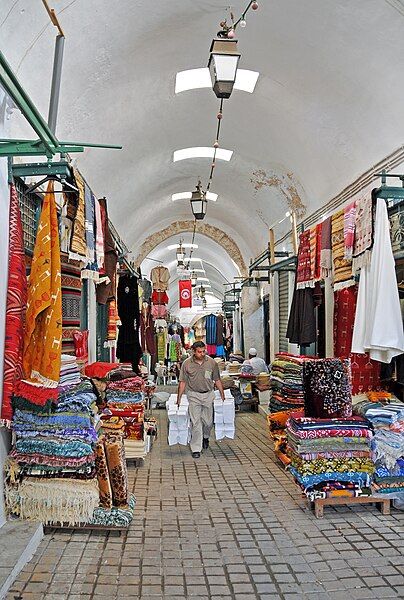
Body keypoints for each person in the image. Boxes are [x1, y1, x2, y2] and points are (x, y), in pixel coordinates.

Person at [177, 341, 225, 458]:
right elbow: (182, 382)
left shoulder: (212, 363)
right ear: (193, 351)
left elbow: (217, 379)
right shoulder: (187, 364)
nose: (202, 354)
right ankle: (196, 449)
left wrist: (222, 393)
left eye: (204, 351)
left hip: (208, 394)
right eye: (199, 352)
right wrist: (179, 398)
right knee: (196, 422)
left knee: (208, 422)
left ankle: (206, 437)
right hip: (193, 395)